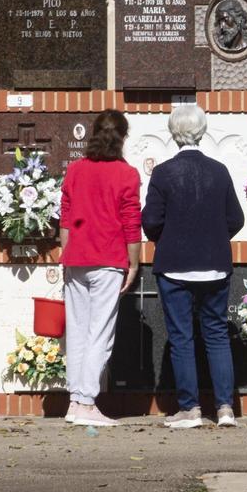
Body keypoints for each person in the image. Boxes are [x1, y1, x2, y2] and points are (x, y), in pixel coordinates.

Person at [142, 105, 244, 429]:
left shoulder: (163, 173)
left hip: (175, 266)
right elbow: (236, 219)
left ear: (174, 133)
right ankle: (226, 408)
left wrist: (171, 237)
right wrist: (212, 238)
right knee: (216, 335)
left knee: (182, 337)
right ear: (202, 130)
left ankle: (190, 409)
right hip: (215, 265)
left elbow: (151, 221)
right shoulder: (220, 170)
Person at [60, 110, 141, 428]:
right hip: (108, 258)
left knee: (77, 331)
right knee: (100, 333)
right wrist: (134, 262)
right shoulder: (127, 174)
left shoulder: (75, 169)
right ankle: (87, 402)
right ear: (123, 137)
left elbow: (65, 216)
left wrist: (67, 252)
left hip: (76, 258)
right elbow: (131, 221)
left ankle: (74, 401)